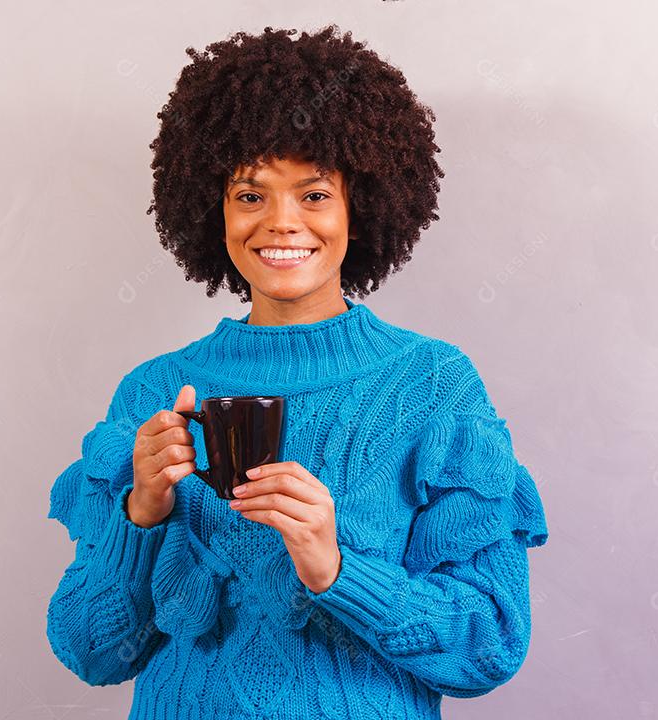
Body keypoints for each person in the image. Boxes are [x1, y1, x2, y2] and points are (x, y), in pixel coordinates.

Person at [45, 24, 549, 719]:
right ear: (213, 211)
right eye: (251, 195)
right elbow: (90, 652)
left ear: (360, 207)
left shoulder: (433, 385)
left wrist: (334, 568)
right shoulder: (153, 392)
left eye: (314, 195)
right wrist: (143, 512)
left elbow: (490, 645)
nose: (281, 222)